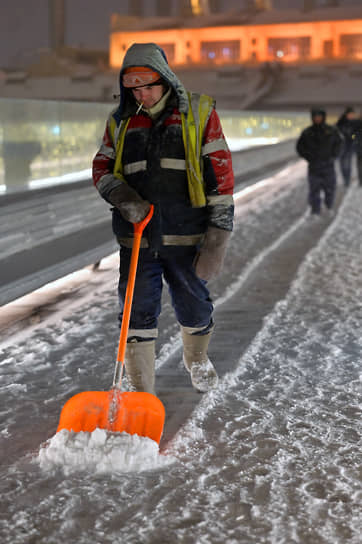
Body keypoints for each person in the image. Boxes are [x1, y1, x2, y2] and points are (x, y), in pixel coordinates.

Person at [92, 43, 234, 395]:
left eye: (149, 85)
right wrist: (124, 198)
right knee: (135, 312)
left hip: (188, 236)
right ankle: (141, 393)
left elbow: (220, 173)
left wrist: (217, 237)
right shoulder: (121, 121)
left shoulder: (199, 113)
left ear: (167, 79)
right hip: (137, 237)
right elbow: (102, 168)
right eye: (134, 88)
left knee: (194, 305)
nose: (142, 94)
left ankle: (197, 358)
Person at [296, 107, 342, 216]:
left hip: (328, 166)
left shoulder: (332, 131)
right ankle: (315, 210)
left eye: (319, 117)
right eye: (315, 117)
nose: (317, 119)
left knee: (330, 188)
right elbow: (300, 147)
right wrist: (308, 157)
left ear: (323, 117)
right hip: (314, 167)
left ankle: (329, 206)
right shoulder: (307, 132)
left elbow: (339, 144)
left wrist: (333, 156)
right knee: (314, 190)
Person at [336, 106, 356, 188]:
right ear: (347, 114)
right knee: (342, 164)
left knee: (347, 164)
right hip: (341, 147)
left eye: (352, 114)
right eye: (350, 114)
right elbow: (337, 133)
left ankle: (347, 180)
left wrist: (352, 137)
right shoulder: (340, 122)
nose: (351, 116)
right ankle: (345, 179)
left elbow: (355, 135)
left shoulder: (354, 123)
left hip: (349, 146)